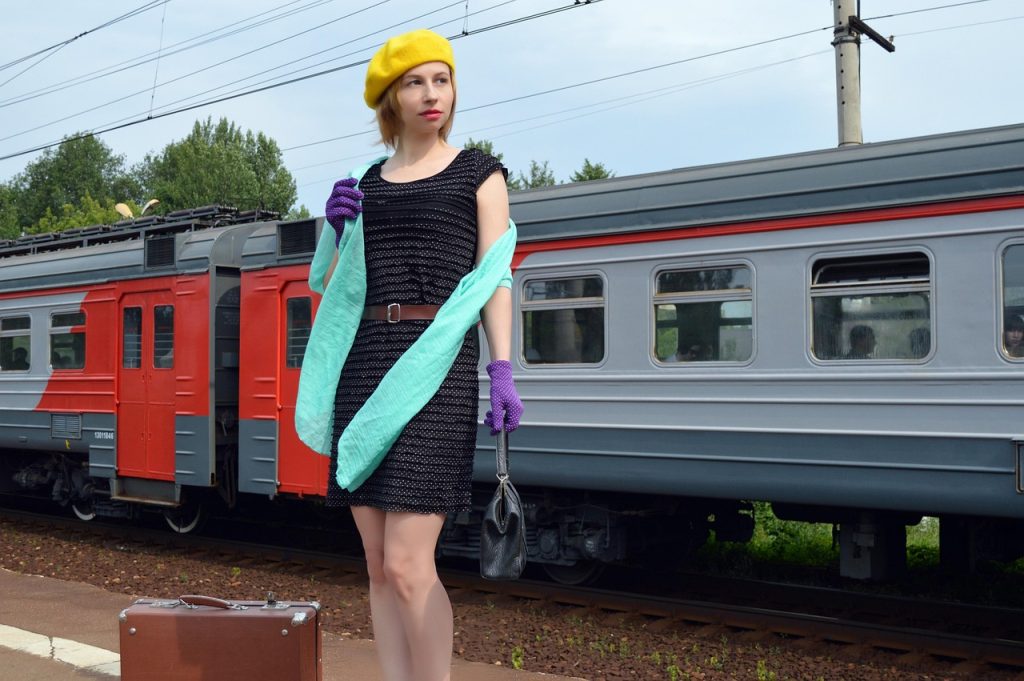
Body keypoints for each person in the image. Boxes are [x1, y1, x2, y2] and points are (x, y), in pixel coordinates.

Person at [294, 29, 522, 681]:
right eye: (416, 82)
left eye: (442, 80)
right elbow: (335, 285)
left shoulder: (480, 173)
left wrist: (500, 367)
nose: (432, 95)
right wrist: (332, 230)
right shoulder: (367, 181)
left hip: (436, 365)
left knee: (408, 563)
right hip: (366, 363)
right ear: (390, 97)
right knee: (375, 564)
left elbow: (495, 275)